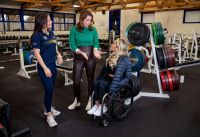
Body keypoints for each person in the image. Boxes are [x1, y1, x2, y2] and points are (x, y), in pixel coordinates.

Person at [31, 13, 63, 127]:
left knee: (51, 89)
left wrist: (59, 55)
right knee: (49, 89)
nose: (51, 22)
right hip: (44, 68)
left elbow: (54, 47)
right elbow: (36, 54)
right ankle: (49, 115)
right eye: (49, 20)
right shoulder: (36, 36)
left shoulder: (52, 33)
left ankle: (48, 108)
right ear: (43, 22)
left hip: (53, 66)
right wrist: (45, 68)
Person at [87, 38, 132, 116]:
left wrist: (118, 85)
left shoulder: (125, 59)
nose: (111, 44)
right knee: (96, 82)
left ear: (118, 47)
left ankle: (103, 106)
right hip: (108, 78)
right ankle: (97, 105)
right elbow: (104, 71)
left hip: (117, 81)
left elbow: (128, 77)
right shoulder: (112, 56)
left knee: (101, 84)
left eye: (114, 43)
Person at [68, 10, 101, 111]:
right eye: (87, 20)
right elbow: (72, 44)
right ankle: (76, 101)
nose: (89, 22)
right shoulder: (74, 30)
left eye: (90, 20)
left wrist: (95, 50)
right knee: (76, 80)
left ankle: (90, 99)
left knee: (90, 79)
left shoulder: (93, 29)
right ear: (81, 19)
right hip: (79, 57)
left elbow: (96, 42)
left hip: (90, 56)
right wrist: (79, 51)